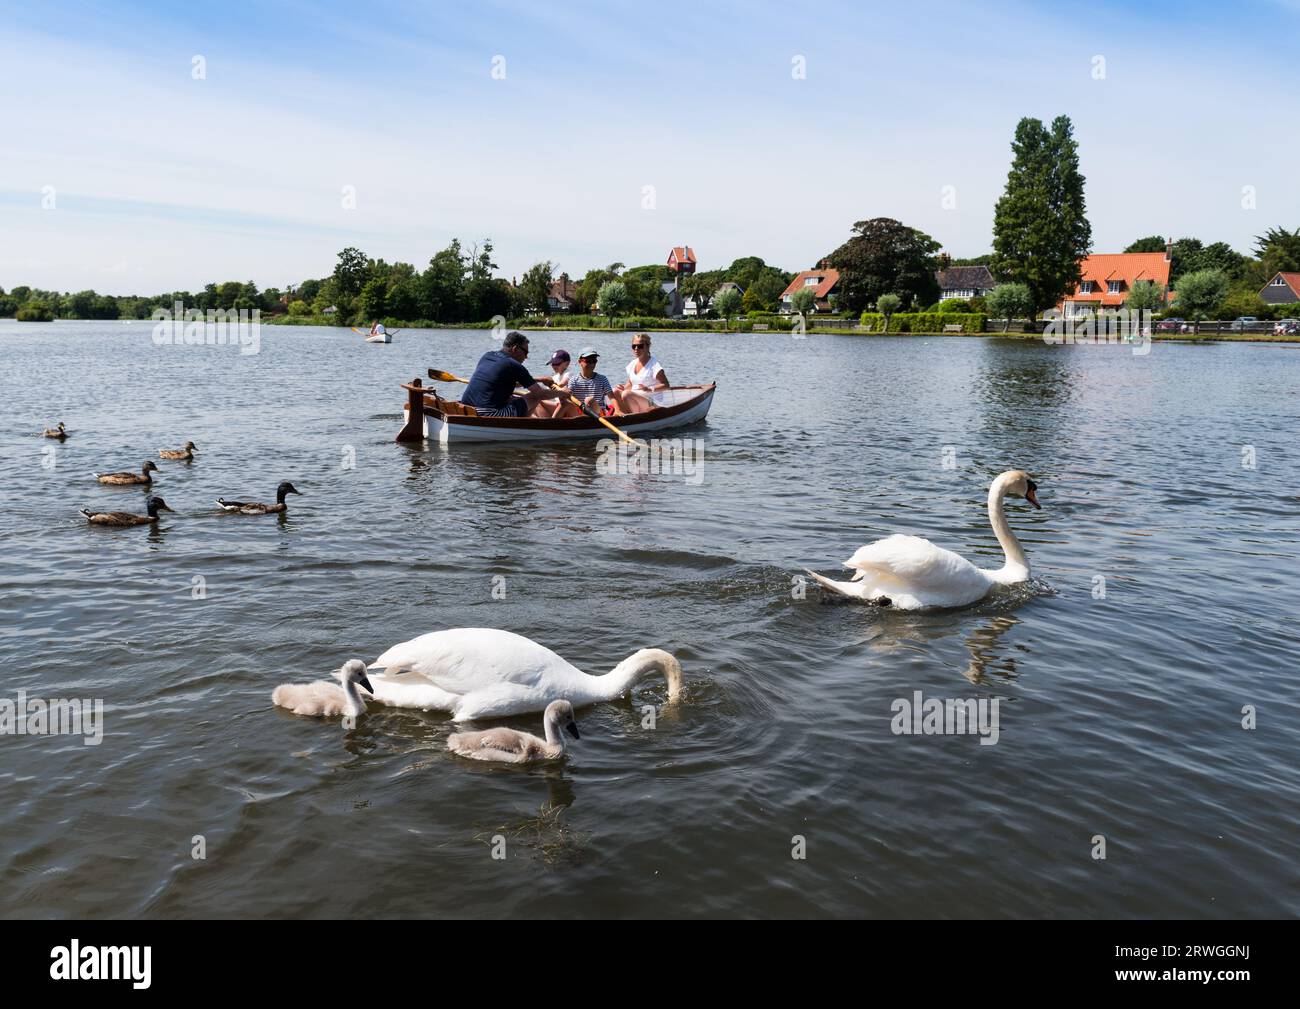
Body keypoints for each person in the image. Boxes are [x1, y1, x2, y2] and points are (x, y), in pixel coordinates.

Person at [461, 331, 562, 417]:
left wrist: (540, 379)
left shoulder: (487, 356)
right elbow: (540, 394)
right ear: (515, 349)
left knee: (513, 398)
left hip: (466, 408)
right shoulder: (514, 365)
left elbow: (505, 382)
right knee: (534, 397)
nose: (526, 357)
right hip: (489, 414)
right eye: (525, 353)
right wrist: (564, 393)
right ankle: (524, 427)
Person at [610, 333, 669, 414]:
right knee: (614, 391)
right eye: (634, 346)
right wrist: (623, 387)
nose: (636, 349)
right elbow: (631, 383)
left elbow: (666, 385)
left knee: (626, 394)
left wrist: (649, 389)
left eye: (640, 346)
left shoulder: (654, 365)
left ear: (647, 347)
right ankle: (623, 415)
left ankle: (633, 417)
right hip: (635, 400)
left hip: (654, 404)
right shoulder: (632, 364)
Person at [566, 348, 614, 417]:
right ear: (580, 361)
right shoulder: (573, 380)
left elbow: (612, 398)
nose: (591, 364)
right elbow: (568, 397)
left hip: (599, 414)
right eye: (588, 361)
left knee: (589, 400)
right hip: (580, 414)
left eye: (594, 361)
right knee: (565, 403)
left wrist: (618, 411)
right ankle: (553, 422)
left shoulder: (602, 379)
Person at [535, 349, 575, 418]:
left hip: (568, 406)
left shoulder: (569, 373)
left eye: (557, 363)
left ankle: (552, 423)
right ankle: (541, 422)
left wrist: (553, 384)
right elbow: (546, 392)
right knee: (537, 401)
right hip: (557, 404)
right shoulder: (555, 377)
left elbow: (562, 383)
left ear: (567, 363)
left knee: (563, 404)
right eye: (553, 364)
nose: (554, 366)